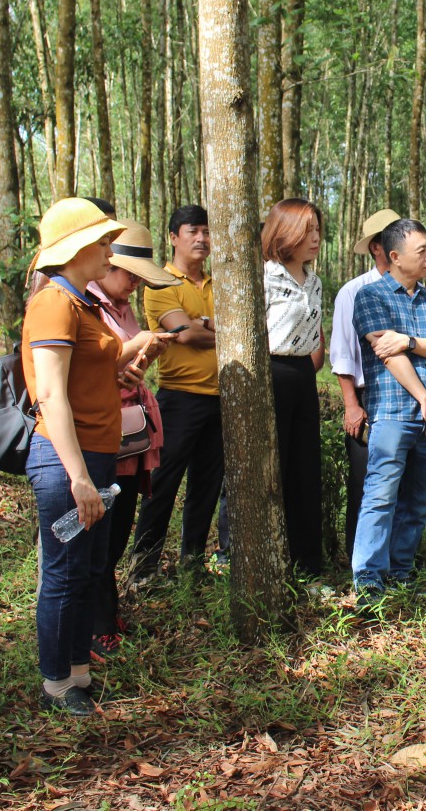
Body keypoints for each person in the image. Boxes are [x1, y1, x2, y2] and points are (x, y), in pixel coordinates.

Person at [23, 199, 169, 715]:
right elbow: (52, 396)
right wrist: (79, 478)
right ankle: (56, 683)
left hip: (98, 455)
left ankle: (78, 673)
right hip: (68, 461)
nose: (111, 252)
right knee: (64, 571)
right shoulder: (53, 304)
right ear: (79, 248)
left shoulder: (81, 302)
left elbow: (90, 376)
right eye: (105, 242)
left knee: (88, 568)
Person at [88, 220, 176, 655]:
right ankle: (96, 624)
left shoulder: (123, 307)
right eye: (129, 275)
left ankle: (108, 614)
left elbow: (124, 373)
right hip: (103, 437)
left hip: (131, 437)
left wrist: (146, 353)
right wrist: (140, 342)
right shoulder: (86, 305)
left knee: (119, 530)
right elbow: (87, 373)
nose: (134, 284)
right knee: (100, 537)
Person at [351, 218, 426, 599]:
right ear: (394, 256)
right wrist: (425, 399)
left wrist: (407, 340)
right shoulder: (371, 297)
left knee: (421, 499)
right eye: (421, 250)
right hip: (393, 413)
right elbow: (386, 355)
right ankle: (369, 579)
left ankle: (400, 569)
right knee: (381, 496)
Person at [132, 205, 228, 577]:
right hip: (178, 398)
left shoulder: (221, 284)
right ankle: (144, 566)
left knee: (206, 486)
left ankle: (193, 563)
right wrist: (206, 326)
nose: (202, 239)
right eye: (193, 231)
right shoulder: (160, 284)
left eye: (206, 231)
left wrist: (200, 323)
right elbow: (183, 334)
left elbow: (214, 329)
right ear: (174, 237)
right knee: (162, 484)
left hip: (220, 399)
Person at [263, 198, 327, 576]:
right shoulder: (265, 276)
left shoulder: (315, 281)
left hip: (303, 376)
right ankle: (270, 563)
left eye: (318, 229)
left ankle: (308, 567)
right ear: (286, 232)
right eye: (308, 230)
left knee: (306, 471)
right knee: (274, 470)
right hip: (271, 373)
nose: (316, 238)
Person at [329, 209, 398, 562]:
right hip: (367, 399)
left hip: (403, 399)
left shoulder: (415, 290)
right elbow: (342, 354)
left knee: (399, 482)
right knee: (364, 483)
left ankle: (397, 558)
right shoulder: (352, 292)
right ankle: (360, 562)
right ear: (376, 247)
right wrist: (352, 405)